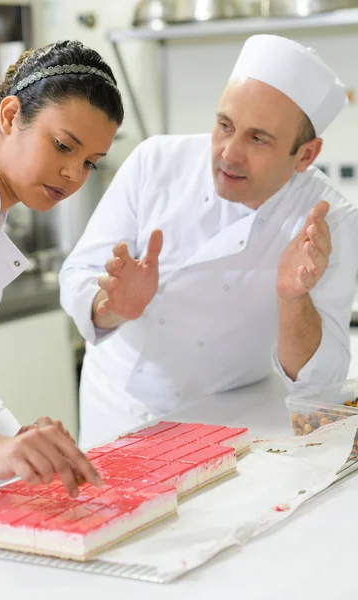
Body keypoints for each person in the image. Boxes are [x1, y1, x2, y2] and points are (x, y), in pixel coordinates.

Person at [60, 34, 358, 449]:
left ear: (306, 155)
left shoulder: (329, 221)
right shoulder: (155, 162)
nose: (228, 154)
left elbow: (317, 382)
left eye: (258, 139)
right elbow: (78, 273)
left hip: (226, 421)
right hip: (115, 406)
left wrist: (293, 298)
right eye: (224, 126)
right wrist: (110, 306)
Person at [0, 39, 123, 495]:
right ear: (11, 117)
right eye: (62, 146)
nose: (73, 174)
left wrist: (21, 454)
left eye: (89, 161)